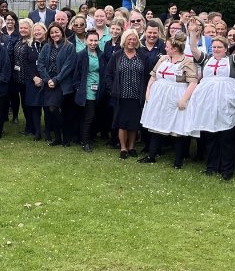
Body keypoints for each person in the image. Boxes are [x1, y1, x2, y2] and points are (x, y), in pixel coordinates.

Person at [186, 30, 235, 180]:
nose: (216, 49)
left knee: (226, 137)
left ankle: (227, 170)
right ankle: (211, 167)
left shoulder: (232, 61)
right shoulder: (206, 59)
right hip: (209, 104)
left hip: (226, 102)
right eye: (214, 47)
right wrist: (193, 33)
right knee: (210, 136)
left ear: (226, 49)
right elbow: (194, 49)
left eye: (219, 47)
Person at [139, 33, 198, 168]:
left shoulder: (187, 62)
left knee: (177, 128)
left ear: (175, 49)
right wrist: (148, 92)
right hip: (159, 97)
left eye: (168, 47)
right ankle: (151, 156)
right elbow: (153, 76)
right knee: (156, 125)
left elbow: (193, 82)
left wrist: (184, 99)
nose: (165, 48)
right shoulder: (163, 59)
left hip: (176, 96)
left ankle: (178, 161)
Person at [104, 28, 146, 159]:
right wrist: (112, 89)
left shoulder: (142, 57)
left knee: (134, 123)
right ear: (124, 40)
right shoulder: (117, 56)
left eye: (134, 39)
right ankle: (123, 147)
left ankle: (132, 146)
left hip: (136, 95)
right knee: (122, 123)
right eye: (129, 39)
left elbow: (147, 76)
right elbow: (108, 74)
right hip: (120, 96)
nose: (132, 42)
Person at [74, 30, 106, 153]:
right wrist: (78, 88)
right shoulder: (81, 55)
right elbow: (76, 74)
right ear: (86, 41)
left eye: (95, 40)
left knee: (93, 115)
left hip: (98, 89)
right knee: (89, 115)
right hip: (86, 89)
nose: (93, 43)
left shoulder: (101, 54)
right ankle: (85, 142)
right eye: (91, 40)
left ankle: (87, 137)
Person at [16, 22, 46, 141]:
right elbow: (26, 63)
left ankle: (49, 131)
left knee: (48, 108)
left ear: (45, 31)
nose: (37, 32)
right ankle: (37, 132)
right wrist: (34, 77)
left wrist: (44, 78)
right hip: (32, 80)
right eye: (35, 30)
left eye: (40, 30)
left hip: (46, 79)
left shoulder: (48, 45)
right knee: (34, 107)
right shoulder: (29, 45)